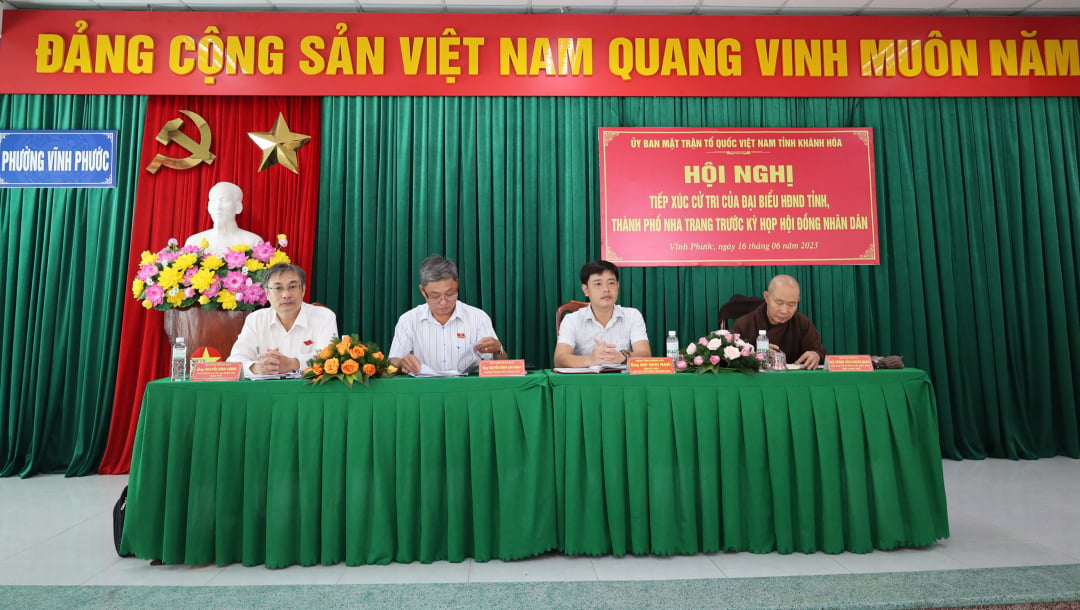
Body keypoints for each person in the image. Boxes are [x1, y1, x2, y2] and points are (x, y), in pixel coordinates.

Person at [388, 255, 506, 375]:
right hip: (424, 389)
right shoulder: (408, 320)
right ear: (423, 291)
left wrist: (498, 351)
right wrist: (402, 363)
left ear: (457, 285)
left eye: (450, 294)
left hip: (468, 389)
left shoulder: (478, 318)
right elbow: (392, 363)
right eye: (435, 296)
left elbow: (500, 368)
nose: (444, 302)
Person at [227, 263, 338, 377]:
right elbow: (234, 361)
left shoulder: (324, 317)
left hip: (310, 391)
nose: (286, 294)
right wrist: (255, 367)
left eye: (292, 287)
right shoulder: (255, 320)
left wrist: (294, 364)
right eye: (278, 288)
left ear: (303, 289)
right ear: (267, 293)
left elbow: (330, 359)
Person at [553, 260, 650, 368]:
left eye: (611, 283)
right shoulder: (572, 320)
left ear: (617, 286)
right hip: (585, 382)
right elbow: (560, 359)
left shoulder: (633, 316)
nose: (606, 289)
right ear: (586, 290)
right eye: (598, 284)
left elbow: (645, 355)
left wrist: (622, 356)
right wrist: (591, 359)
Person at [730, 274, 826, 369]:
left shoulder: (802, 323)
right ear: (767, 297)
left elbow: (820, 353)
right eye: (779, 303)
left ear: (798, 300)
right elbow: (729, 358)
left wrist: (815, 355)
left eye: (791, 304)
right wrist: (754, 355)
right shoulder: (744, 324)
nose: (784, 311)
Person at [185, 181, 264, 255]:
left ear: (238, 207)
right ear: (209, 207)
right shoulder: (193, 242)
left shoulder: (253, 242)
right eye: (213, 201)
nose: (217, 207)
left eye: (224, 200)